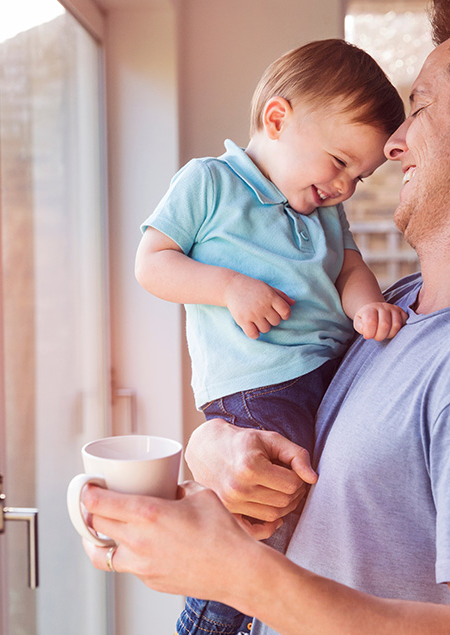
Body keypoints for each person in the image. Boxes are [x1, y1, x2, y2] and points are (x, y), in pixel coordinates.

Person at [81, 0, 450, 635]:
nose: (394, 143)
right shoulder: (395, 310)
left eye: (420, 107)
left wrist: (236, 574)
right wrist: (217, 447)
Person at [135, 39, 407, 634]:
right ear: (277, 119)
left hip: (326, 375)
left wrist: (368, 308)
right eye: (339, 162)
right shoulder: (209, 183)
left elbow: (350, 270)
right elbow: (152, 262)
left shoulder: (327, 214)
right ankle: (206, 623)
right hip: (259, 386)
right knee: (266, 516)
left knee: (313, 508)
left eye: (359, 176)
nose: (344, 187)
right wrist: (229, 286)